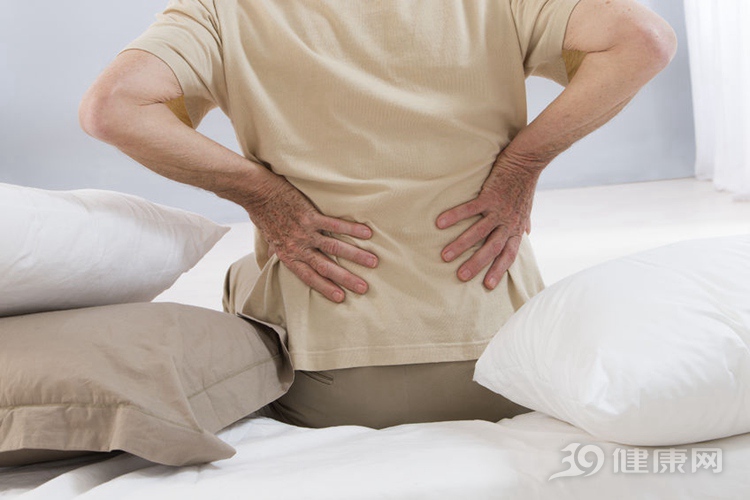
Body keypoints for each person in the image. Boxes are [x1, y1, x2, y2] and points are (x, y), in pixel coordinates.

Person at [80, 0, 677, 428]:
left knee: (245, 276)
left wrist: (263, 197)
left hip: (327, 388)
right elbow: (644, 40)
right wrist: (521, 166)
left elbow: (112, 107)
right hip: (507, 367)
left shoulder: (220, 11)